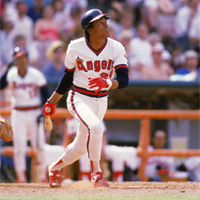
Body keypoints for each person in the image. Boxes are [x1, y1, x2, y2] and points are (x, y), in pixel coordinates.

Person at [42, 8, 129, 188]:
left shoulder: (116, 47)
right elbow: (67, 78)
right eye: (100, 23)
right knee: (96, 128)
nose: (106, 25)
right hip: (79, 97)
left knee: (81, 147)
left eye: (106, 22)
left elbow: (124, 79)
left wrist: (108, 82)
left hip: (101, 99)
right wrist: (52, 101)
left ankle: (55, 168)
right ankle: (96, 173)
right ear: (89, 29)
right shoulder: (75, 46)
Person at [0, 47, 50, 183]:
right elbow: (0, 84)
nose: (21, 61)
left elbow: (46, 94)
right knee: (19, 147)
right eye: (18, 58)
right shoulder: (11, 74)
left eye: (23, 58)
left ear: (27, 59)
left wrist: (44, 112)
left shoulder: (35, 74)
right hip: (18, 112)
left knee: (39, 146)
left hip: (35, 112)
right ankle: (21, 177)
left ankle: (42, 177)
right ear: (15, 60)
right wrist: (6, 69)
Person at [65, 117, 139, 182]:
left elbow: (103, 136)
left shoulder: (98, 117)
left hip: (99, 147)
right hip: (84, 148)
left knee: (118, 152)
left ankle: (118, 181)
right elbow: (76, 139)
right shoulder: (76, 119)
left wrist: (101, 148)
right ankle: (85, 180)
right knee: (85, 154)